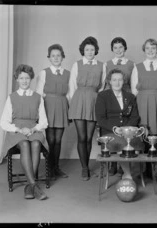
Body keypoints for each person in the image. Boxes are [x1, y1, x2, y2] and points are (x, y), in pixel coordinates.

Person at [0, 64, 48, 200]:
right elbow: (3, 122)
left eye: (27, 78)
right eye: (21, 78)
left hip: (33, 129)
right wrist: (19, 129)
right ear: (17, 79)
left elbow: (44, 122)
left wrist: (33, 129)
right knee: (25, 144)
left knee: (36, 144)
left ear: (31, 79)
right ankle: (34, 185)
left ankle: (29, 186)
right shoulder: (12, 97)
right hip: (17, 131)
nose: (24, 81)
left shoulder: (38, 97)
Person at [131, 38, 157, 179]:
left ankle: (153, 170)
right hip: (142, 102)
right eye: (148, 48)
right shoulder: (137, 67)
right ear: (144, 50)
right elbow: (133, 89)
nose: (150, 51)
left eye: (153, 48)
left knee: (155, 137)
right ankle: (143, 169)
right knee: (143, 136)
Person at [67, 36, 106, 181]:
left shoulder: (101, 65)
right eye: (87, 49)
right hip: (79, 100)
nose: (89, 52)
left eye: (92, 49)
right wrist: (75, 102)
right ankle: (84, 168)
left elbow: (102, 85)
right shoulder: (77, 64)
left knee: (89, 137)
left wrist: (97, 98)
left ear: (96, 50)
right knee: (81, 137)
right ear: (83, 51)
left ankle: (87, 164)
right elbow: (72, 86)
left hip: (93, 100)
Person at [95, 68, 144, 180]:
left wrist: (127, 129)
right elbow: (101, 119)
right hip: (110, 132)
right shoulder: (102, 96)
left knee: (134, 141)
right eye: (114, 80)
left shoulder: (130, 96)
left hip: (128, 132)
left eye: (120, 80)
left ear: (124, 81)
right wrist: (115, 129)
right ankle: (128, 175)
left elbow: (135, 116)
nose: (117, 82)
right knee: (122, 143)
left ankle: (127, 171)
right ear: (109, 81)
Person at [36, 44, 70, 180]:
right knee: (51, 140)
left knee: (58, 139)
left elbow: (69, 94)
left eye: (58, 55)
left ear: (62, 57)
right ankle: (49, 168)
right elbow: (38, 93)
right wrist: (39, 113)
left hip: (62, 106)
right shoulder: (44, 73)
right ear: (49, 58)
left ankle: (56, 168)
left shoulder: (68, 73)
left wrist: (70, 110)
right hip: (48, 106)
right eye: (53, 56)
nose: (56, 58)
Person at [104, 37, 136, 176]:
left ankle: (124, 162)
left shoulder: (131, 64)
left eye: (121, 47)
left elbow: (134, 85)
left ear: (125, 48)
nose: (118, 50)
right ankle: (113, 164)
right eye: (115, 47)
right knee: (112, 128)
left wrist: (132, 100)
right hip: (112, 96)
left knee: (125, 129)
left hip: (126, 96)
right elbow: (105, 84)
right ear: (112, 49)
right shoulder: (107, 64)